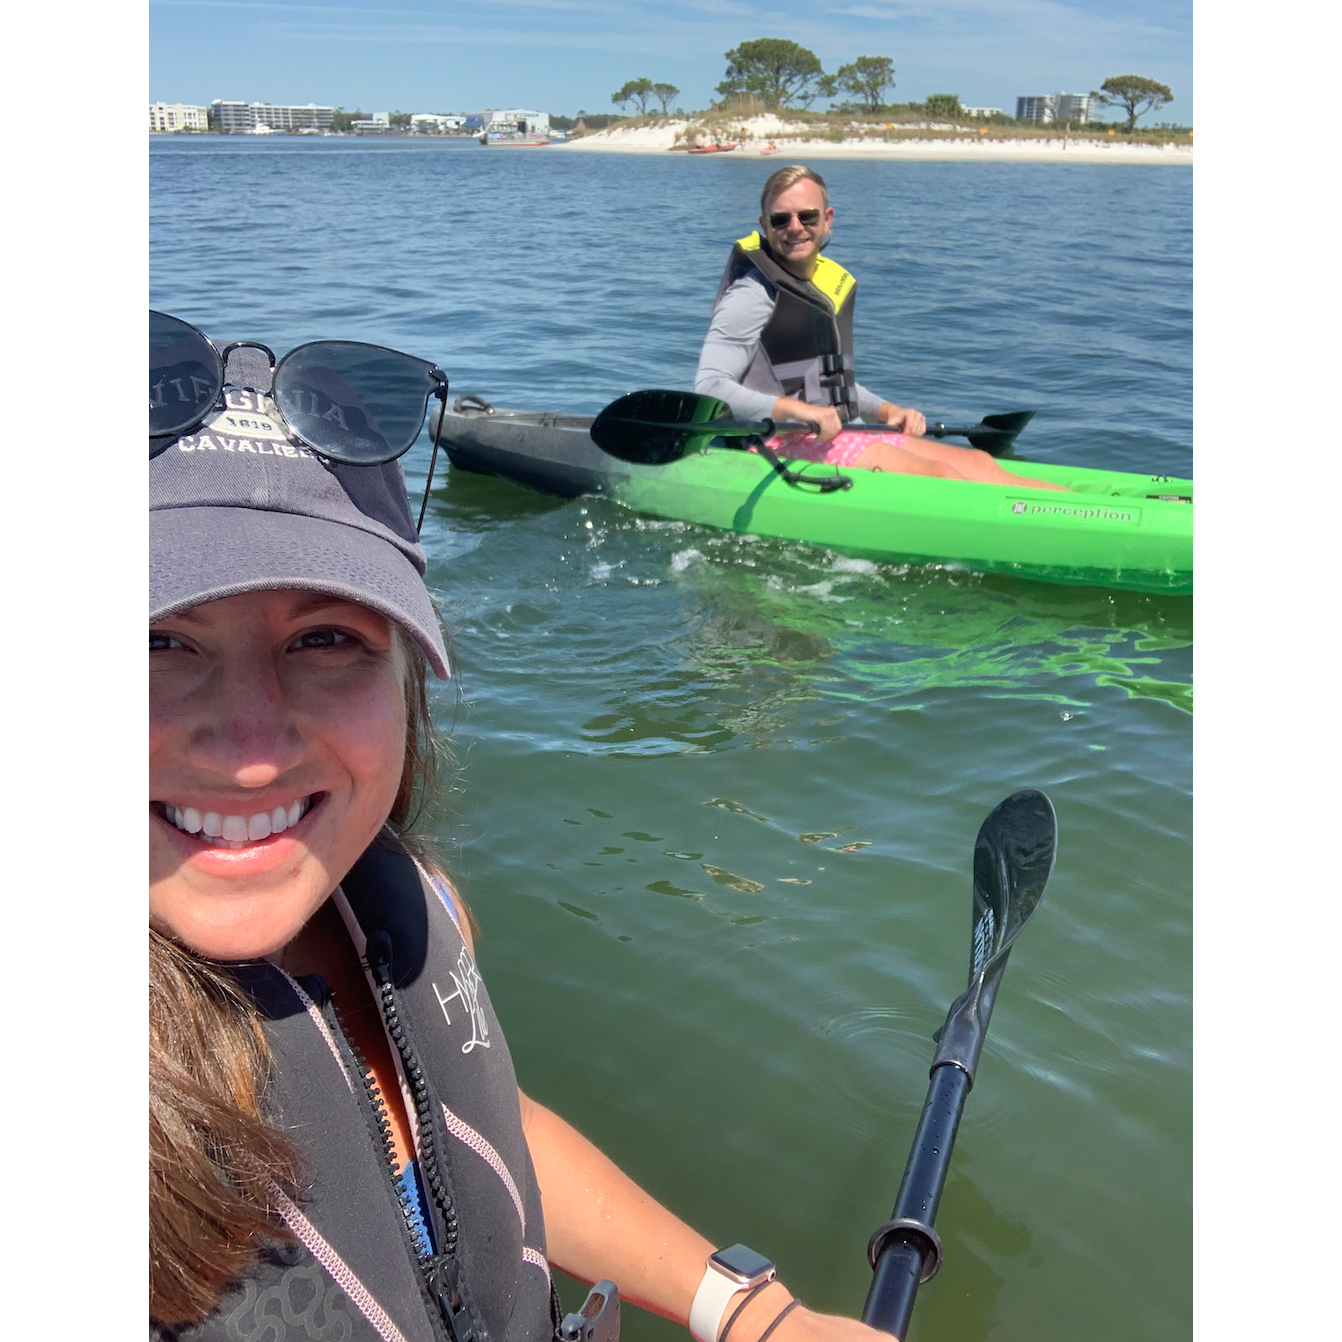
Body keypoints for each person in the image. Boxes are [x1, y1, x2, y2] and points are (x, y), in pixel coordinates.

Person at [149, 325, 898, 1342]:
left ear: (406, 683)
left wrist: (750, 1310)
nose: (249, 746)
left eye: (326, 638)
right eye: (155, 639)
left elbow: (485, 1133)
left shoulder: (414, 909)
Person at [695, 165, 1065, 490]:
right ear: (764, 226)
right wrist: (795, 411)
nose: (795, 228)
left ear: (827, 219)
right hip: (780, 444)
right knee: (945, 480)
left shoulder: (821, 286)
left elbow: (826, 384)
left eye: (807, 216)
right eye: (781, 219)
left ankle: (1088, 512)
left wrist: (886, 410)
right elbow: (710, 387)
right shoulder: (752, 294)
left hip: (842, 431)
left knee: (980, 465)